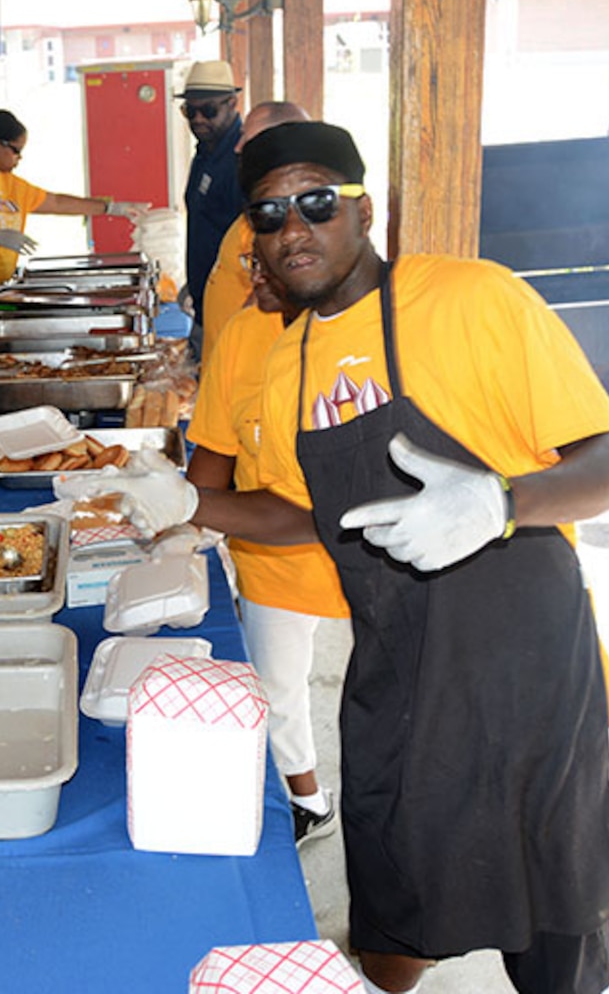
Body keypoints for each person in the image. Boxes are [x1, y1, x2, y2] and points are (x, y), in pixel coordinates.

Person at [87, 121, 609, 994]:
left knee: (551, 903)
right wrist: (194, 503)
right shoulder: (289, 357)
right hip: (396, 655)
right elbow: (308, 515)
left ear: (364, 208)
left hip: (526, 659)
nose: (293, 229)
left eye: (316, 202)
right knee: (388, 872)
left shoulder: (474, 298)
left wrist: (501, 502)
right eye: (269, 215)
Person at [185, 241, 349, 849]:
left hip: (380, 555)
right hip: (272, 549)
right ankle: (306, 798)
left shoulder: (367, 329)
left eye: (268, 265)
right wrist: (185, 520)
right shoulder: (242, 334)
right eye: (250, 263)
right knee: (276, 687)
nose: (254, 278)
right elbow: (214, 448)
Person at [0, 108, 147, 328]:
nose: (19, 158)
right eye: (16, 151)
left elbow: (57, 202)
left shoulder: (10, 183)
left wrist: (110, 208)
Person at [200, 101, 310, 355]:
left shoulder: (282, 219)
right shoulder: (258, 206)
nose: (237, 148)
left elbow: (264, 298)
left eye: (247, 140)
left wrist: (229, 358)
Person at [178, 61, 246, 351]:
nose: (198, 119)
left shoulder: (241, 159)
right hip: (206, 302)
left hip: (235, 311)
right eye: (190, 111)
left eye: (208, 111)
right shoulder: (205, 152)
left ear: (232, 104)